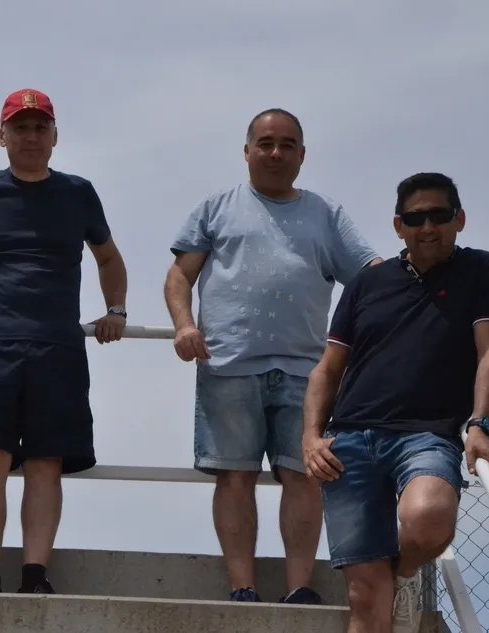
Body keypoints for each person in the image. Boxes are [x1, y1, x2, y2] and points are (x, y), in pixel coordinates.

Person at [163, 108, 382, 604]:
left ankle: (299, 587)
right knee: (234, 476)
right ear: (247, 152)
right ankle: (242, 587)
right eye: (265, 143)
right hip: (228, 364)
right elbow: (179, 276)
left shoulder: (327, 214)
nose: (276, 153)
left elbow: (369, 277)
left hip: (308, 371)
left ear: (302, 155)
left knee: (304, 477)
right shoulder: (216, 208)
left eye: (287, 145)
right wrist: (184, 325)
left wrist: (413, 286)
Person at [0, 88, 129, 594]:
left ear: (55, 136)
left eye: (40, 127)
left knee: (46, 462)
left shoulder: (78, 192)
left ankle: (35, 574)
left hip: (57, 347)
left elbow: (108, 257)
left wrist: (116, 311)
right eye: (20, 127)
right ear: (2, 136)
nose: (31, 136)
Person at [302, 172, 489, 633]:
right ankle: (388, 586)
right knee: (364, 596)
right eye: (415, 218)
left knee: (429, 519)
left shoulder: (484, 271)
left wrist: (480, 423)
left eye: (439, 215)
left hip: (427, 434)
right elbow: (328, 369)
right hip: (349, 440)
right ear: (398, 226)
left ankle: (403, 574)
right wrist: (311, 436)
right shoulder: (367, 284)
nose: (428, 227)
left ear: (459, 219)